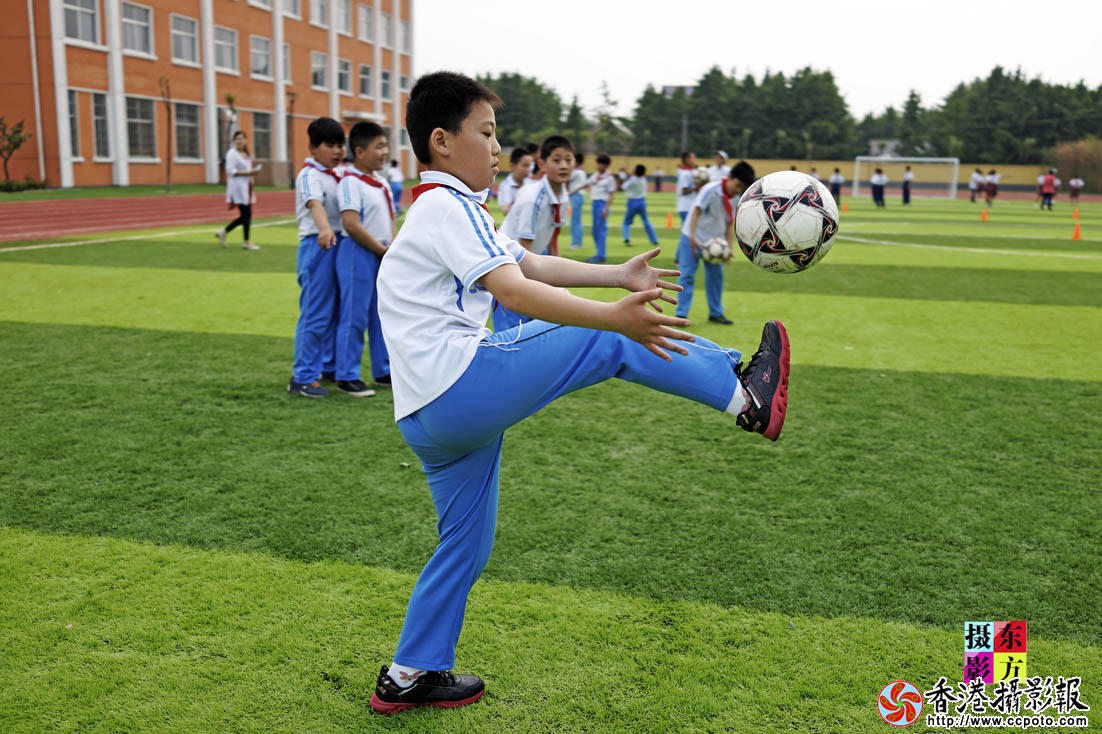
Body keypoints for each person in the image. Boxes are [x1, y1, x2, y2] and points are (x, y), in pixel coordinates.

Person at [370, 70, 790, 715]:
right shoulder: (443, 204)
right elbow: (512, 291)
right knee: (609, 340)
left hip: (427, 416)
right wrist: (611, 312)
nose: (497, 147)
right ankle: (742, 394)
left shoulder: (449, 208)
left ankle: (410, 672)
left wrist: (613, 274)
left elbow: (529, 263)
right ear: (441, 141)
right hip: (455, 389)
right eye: (485, 133)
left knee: (465, 544)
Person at [287, 117, 346, 398]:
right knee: (315, 313)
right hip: (318, 244)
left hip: (337, 244)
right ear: (313, 147)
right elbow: (315, 204)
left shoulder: (338, 174)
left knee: (334, 312)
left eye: (340, 145)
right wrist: (323, 229)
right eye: (330, 145)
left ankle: (327, 366)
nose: (337, 151)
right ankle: (303, 377)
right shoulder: (309, 175)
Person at [335, 121, 395, 396]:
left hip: (381, 252)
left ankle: (383, 370)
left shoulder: (381, 182)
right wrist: (381, 250)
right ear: (359, 151)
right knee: (353, 314)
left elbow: (388, 221)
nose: (385, 152)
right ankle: (347, 374)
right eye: (379, 146)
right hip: (358, 252)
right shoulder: (350, 182)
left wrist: (391, 249)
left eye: (386, 145)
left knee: (380, 315)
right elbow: (351, 224)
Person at [492, 134, 574, 331]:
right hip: (509, 265)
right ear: (542, 164)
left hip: (532, 260)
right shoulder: (533, 198)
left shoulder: (562, 196)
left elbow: (553, 241)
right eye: (556, 160)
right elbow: (523, 250)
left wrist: (559, 281)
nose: (563, 165)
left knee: (542, 329)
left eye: (568, 160)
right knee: (511, 337)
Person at [675, 161, 754, 326]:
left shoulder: (734, 199)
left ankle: (716, 312)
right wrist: (692, 239)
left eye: (741, 188)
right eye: (737, 185)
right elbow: (696, 212)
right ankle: (681, 314)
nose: (737, 190)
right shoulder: (710, 189)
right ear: (730, 177)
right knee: (687, 275)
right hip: (692, 237)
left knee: (716, 278)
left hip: (715, 245)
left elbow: (728, 223)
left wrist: (730, 247)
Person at [216, 131, 261, 250]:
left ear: (246, 140)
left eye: (241, 138)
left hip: (246, 187)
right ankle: (245, 241)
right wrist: (250, 172)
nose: (239, 141)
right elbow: (231, 171)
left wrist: (252, 177)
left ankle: (225, 232)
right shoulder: (232, 153)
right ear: (234, 141)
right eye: (237, 139)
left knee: (246, 215)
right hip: (238, 188)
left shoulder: (245, 154)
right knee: (246, 214)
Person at [586, 153, 617, 263]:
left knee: (601, 230)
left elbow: (612, 194)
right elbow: (586, 184)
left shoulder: (609, 178)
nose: (598, 166)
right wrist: (571, 191)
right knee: (595, 230)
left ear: (606, 165)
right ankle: (599, 253)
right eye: (597, 163)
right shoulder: (595, 175)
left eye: (600, 164)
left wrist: (605, 208)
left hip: (602, 204)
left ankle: (601, 255)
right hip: (595, 203)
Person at [621, 163, 659, 247]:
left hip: (632, 202)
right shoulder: (643, 179)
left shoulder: (632, 180)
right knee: (646, 221)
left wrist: (628, 175)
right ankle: (654, 239)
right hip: (642, 202)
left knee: (626, 222)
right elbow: (637, 176)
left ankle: (626, 238)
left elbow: (623, 187)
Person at [496, 147, 532, 215]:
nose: (528, 169)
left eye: (529, 166)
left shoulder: (532, 182)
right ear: (512, 166)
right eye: (525, 166)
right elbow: (506, 210)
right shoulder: (506, 186)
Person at [567, 154, 587, 250]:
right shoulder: (581, 171)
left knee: (575, 221)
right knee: (577, 221)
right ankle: (578, 242)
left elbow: (566, 177)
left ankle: (576, 243)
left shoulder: (576, 172)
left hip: (576, 196)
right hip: (579, 196)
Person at [676, 151, 700, 225]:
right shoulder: (685, 174)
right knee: (687, 232)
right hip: (686, 207)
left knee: (689, 232)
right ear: (687, 160)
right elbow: (684, 191)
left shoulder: (689, 172)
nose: (694, 161)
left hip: (689, 206)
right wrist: (697, 187)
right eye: (693, 159)